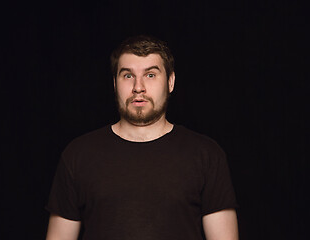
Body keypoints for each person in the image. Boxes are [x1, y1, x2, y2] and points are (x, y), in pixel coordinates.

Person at [45, 35, 239, 240]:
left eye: (151, 75)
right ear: (114, 83)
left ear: (170, 82)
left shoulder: (206, 154)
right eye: (128, 76)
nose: (139, 87)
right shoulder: (78, 154)